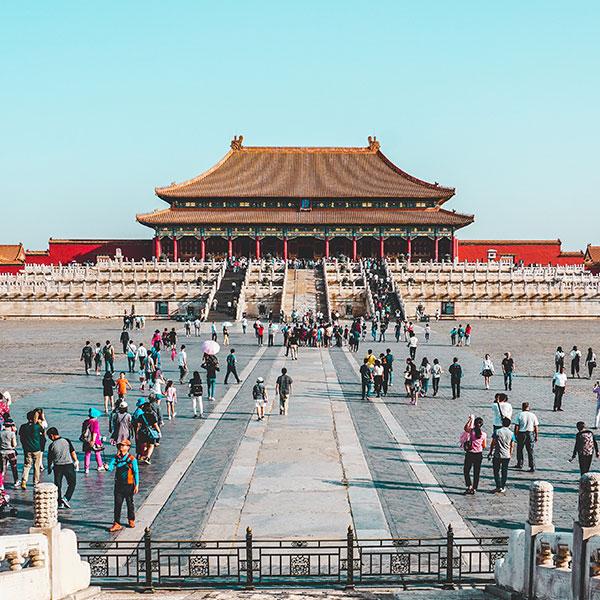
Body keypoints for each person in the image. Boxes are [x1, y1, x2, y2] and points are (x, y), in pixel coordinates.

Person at [106, 439, 139, 532]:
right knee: (117, 504)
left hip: (129, 485)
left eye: (123, 445)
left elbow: (136, 472)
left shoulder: (132, 459)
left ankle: (131, 520)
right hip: (119, 485)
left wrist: (137, 485)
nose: (121, 447)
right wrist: (107, 467)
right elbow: (111, 468)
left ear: (128, 447)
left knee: (130, 503)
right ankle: (117, 523)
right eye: (120, 445)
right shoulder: (116, 458)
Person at [46, 427, 78, 509]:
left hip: (57, 467)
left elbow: (50, 458)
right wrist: (76, 461)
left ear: (52, 435)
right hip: (68, 465)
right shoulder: (66, 441)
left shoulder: (52, 445)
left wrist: (49, 467)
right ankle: (66, 498)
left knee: (58, 485)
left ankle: (59, 502)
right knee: (72, 483)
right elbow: (72, 452)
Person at [19, 410, 45, 489]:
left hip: (27, 449)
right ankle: (36, 481)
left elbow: (21, 436)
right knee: (36, 466)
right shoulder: (37, 427)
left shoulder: (23, 426)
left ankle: (24, 480)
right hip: (36, 448)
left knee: (27, 465)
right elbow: (43, 433)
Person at [461, 415, 487, 495]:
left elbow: (465, 428)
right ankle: (475, 488)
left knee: (466, 470)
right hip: (479, 454)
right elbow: (484, 446)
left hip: (470, 453)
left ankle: (469, 485)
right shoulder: (484, 434)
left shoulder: (471, 431)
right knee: (477, 472)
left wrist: (469, 420)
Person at [488, 417, 514, 493]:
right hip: (507, 455)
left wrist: (490, 452)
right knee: (504, 471)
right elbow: (512, 445)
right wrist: (510, 453)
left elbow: (493, 443)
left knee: (496, 471)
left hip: (498, 454)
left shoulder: (497, 431)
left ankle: (498, 486)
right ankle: (502, 486)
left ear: (502, 423)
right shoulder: (511, 433)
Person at [514, 402, 538, 472]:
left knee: (520, 449)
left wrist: (515, 435)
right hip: (530, 433)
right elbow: (536, 427)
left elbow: (516, 426)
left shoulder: (519, 415)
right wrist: (536, 435)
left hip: (521, 433)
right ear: (528, 407)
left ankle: (520, 463)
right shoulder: (533, 415)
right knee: (530, 451)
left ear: (522, 407)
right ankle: (532, 466)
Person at [81, 408, 106, 474]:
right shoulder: (95, 422)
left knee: (87, 454)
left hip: (86, 440)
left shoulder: (86, 422)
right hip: (95, 441)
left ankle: (86, 468)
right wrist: (93, 440)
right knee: (97, 453)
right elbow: (95, 432)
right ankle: (100, 466)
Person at [0, 417, 18, 487]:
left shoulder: (0, 433)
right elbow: (14, 444)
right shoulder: (12, 434)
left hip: (2, 452)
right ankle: (16, 481)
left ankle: (1, 483)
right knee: (14, 467)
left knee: (2, 469)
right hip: (10, 452)